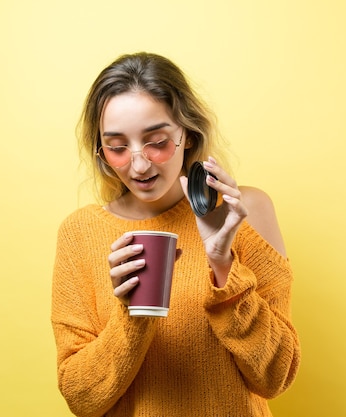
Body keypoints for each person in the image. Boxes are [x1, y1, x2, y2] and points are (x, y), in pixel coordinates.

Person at [51, 52, 300, 417]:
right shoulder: (80, 232)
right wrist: (133, 314)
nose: (138, 165)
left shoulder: (243, 210)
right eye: (118, 147)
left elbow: (275, 378)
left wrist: (223, 266)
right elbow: (82, 399)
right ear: (102, 151)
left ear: (186, 133)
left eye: (157, 141)